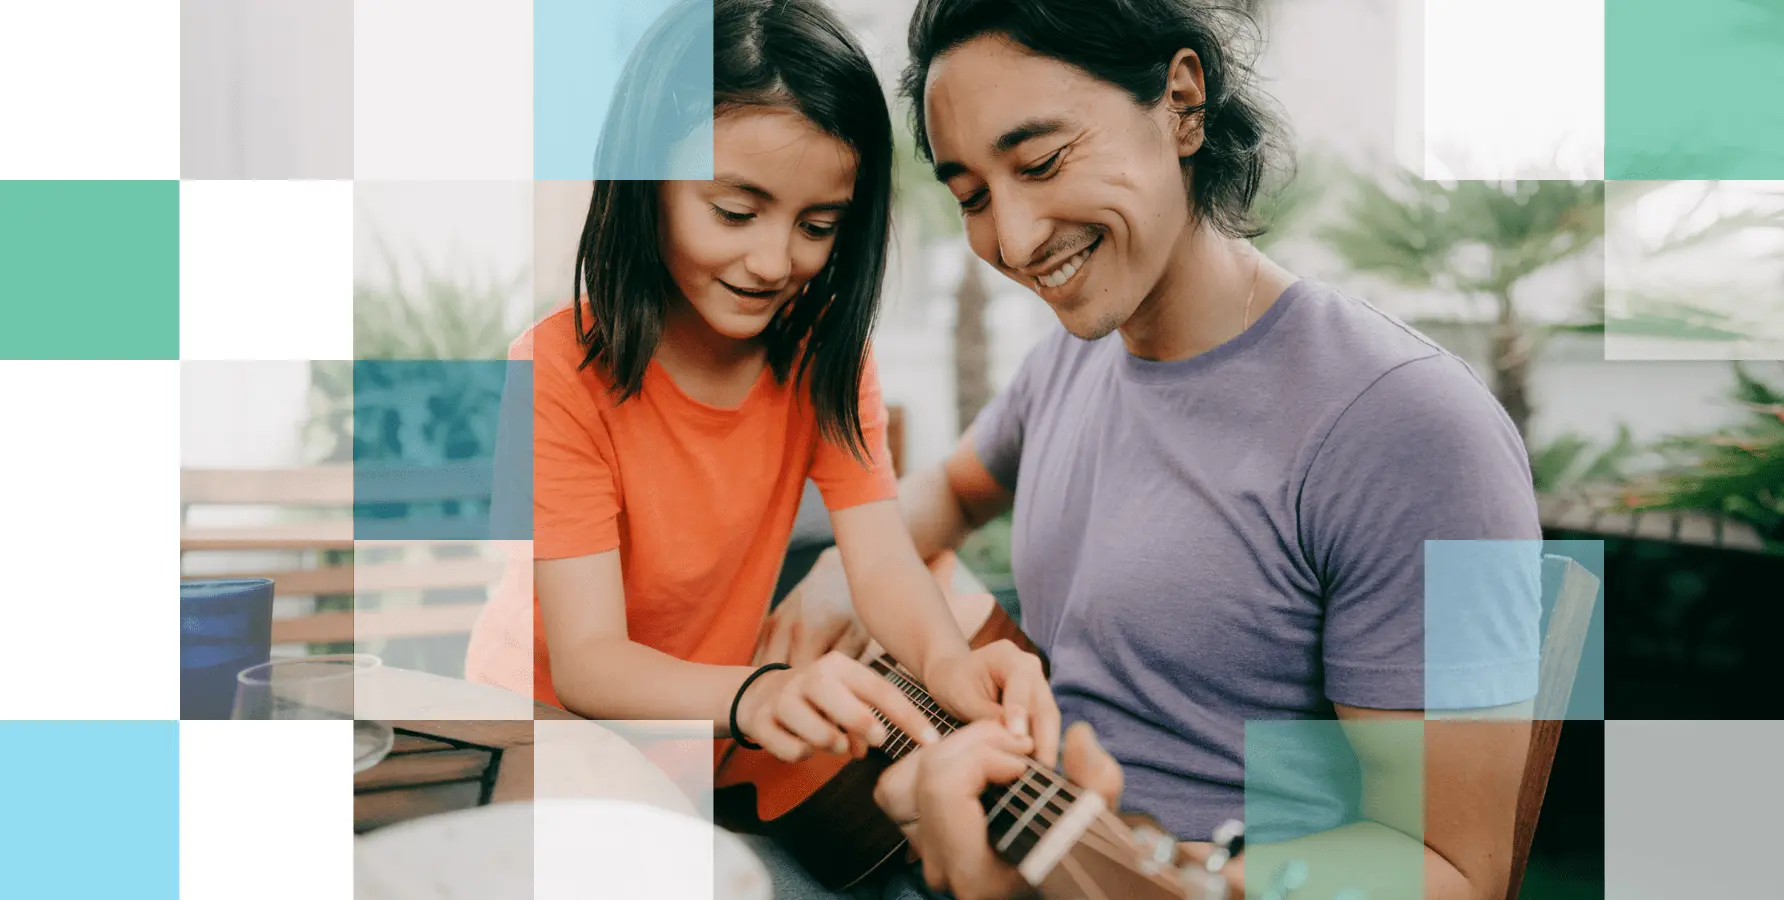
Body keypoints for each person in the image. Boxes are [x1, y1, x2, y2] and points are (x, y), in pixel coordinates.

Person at [781, 1, 1548, 898]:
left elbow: (1453, 867)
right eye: (972, 198)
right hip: (1012, 833)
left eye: (1042, 161)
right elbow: (953, 490)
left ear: (1182, 102)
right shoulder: (1071, 359)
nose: (1014, 240)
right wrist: (850, 569)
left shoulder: (1409, 425)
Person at [463, 0, 1057, 895]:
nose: (776, 261)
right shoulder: (555, 371)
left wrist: (949, 667)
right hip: (543, 735)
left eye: (818, 226)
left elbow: (882, 561)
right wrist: (757, 691)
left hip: (714, 725)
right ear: (643, 182)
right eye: (736, 211)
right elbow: (588, 663)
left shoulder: (824, 353)